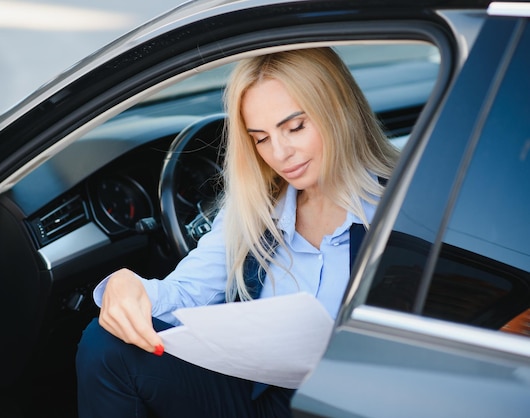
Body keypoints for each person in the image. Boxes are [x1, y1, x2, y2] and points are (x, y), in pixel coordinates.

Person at [75, 47, 399, 418]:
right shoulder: (255, 207)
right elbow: (188, 291)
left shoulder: (406, 207)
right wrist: (128, 285)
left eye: (295, 127)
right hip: (265, 397)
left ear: (339, 109)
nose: (280, 153)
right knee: (105, 347)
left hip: (360, 405)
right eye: (260, 138)